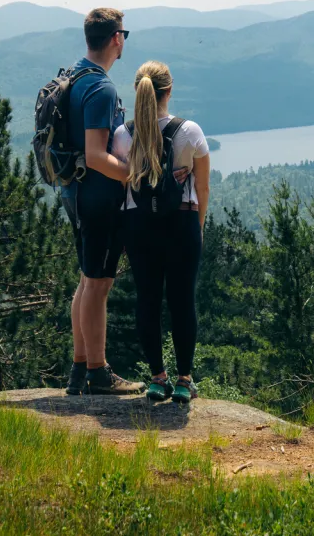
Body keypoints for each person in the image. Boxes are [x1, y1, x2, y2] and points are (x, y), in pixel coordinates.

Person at [114, 61, 211, 404]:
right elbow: (203, 188)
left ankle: (157, 379)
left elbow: (120, 187)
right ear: (168, 91)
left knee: (148, 300)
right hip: (181, 223)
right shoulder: (190, 131)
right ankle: (184, 381)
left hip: (139, 227)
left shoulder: (123, 136)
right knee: (183, 301)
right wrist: (196, 230)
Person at [61, 8, 144, 396]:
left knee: (86, 280)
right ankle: (97, 371)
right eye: (123, 33)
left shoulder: (74, 75)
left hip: (75, 192)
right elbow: (96, 155)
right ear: (115, 38)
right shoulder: (101, 88)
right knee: (99, 284)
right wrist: (136, 175)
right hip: (96, 197)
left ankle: (80, 368)